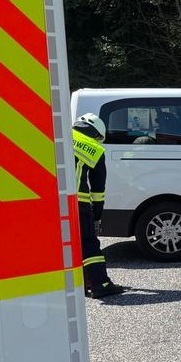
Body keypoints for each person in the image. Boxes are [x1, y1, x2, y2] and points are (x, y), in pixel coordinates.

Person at [73, 113, 126, 298]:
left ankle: (76, 283)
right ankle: (100, 284)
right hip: (77, 203)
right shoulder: (94, 148)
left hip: (49, 202)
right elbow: (97, 187)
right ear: (95, 132)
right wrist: (97, 214)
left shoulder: (58, 137)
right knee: (88, 243)